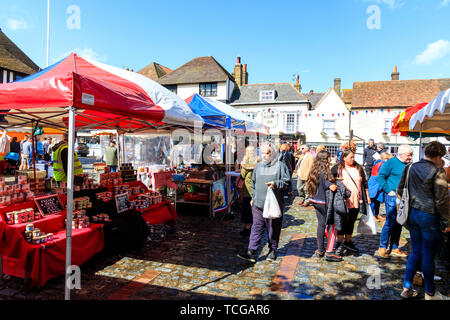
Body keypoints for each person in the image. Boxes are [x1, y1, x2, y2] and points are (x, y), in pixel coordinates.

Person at [399, 141, 450, 300]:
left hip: (413, 214)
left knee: (415, 251)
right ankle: (430, 292)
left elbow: (400, 189)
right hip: (428, 216)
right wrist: (447, 222)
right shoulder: (437, 171)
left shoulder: (410, 167)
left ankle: (406, 287)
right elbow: (441, 200)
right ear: (438, 156)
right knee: (428, 255)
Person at [237, 143, 290, 263]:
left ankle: (272, 249)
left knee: (273, 228)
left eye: (267, 153)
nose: (264, 155)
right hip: (258, 204)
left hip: (273, 203)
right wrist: (253, 197)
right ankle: (251, 251)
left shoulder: (280, 166)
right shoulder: (258, 166)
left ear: (273, 154)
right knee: (256, 227)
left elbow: (287, 182)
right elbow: (253, 183)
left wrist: (276, 184)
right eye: (262, 153)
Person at [331, 150, 370, 256]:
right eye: (350, 157)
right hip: (342, 201)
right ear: (344, 157)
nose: (353, 159)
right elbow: (329, 180)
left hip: (356, 200)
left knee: (351, 222)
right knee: (341, 222)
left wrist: (367, 195)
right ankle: (339, 243)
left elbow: (365, 183)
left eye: (353, 157)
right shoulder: (337, 168)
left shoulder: (358, 168)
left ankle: (348, 242)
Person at [377, 144, 413, 258]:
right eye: (409, 155)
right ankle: (382, 247)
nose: (411, 157)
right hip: (393, 196)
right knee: (390, 221)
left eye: (411, 155)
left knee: (400, 222)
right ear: (401, 154)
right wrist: (388, 190)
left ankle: (394, 247)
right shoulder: (391, 162)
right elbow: (380, 177)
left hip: (404, 196)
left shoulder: (409, 165)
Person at [307, 150, 343, 262]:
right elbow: (330, 186)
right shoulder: (325, 171)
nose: (330, 159)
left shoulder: (314, 170)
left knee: (321, 224)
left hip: (315, 201)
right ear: (325, 159)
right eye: (329, 157)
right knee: (333, 225)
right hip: (323, 202)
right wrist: (335, 184)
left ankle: (320, 249)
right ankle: (330, 251)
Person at [240, 146, 260, 237]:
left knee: (247, 209)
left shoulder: (246, 163)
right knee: (255, 209)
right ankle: (256, 227)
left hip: (248, 189)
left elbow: (242, 176)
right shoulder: (259, 161)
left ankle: (247, 228)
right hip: (257, 187)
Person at [368, 152, 393, 222]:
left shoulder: (377, 162)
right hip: (376, 184)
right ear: (385, 158)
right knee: (373, 201)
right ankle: (372, 216)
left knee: (377, 201)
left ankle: (376, 215)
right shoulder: (382, 164)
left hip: (375, 183)